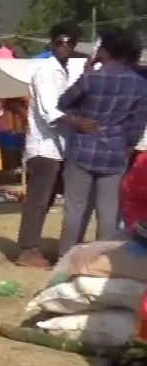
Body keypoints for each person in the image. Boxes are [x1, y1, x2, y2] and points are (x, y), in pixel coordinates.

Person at [55, 26, 147, 257]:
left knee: (75, 210)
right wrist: (125, 146)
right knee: (108, 212)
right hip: (115, 152)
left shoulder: (92, 77)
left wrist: (86, 70)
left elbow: (64, 102)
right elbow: (137, 124)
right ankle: (102, 260)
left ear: (106, 50)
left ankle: (66, 259)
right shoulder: (140, 84)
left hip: (83, 148)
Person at [14, 23, 85, 267]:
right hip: (44, 146)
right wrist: (78, 123)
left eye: (69, 43)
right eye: (60, 42)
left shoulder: (65, 73)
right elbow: (49, 112)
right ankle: (27, 250)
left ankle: (39, 247)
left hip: (61, 146)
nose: (64, 47)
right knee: (38, 199)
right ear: (52, 43)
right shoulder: (46, 72)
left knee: (51, 200)